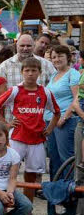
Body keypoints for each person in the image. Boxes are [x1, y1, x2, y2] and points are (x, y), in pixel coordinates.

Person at [0, 57, 59, 215]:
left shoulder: (45, 92)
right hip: (17, 137)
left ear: (39, 73)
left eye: (34, 70)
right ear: (22, 72)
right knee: (8, 173)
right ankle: (4, 209)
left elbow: (57, 112)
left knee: (31, 176)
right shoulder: (16, 90)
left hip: (36, 140)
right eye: (27, 70)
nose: (30, 74)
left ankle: (27, 213)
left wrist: (49, 129)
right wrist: (6, 124)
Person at [45, 45, 82, 178]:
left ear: (68, 57)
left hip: (65, 121)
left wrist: (64, 117)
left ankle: (69, 191)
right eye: (54, 57)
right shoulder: (54, 74)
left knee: (65, 157)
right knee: (53, 158)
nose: (56, 59)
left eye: (60, 56)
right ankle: (55, 192)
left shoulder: (73, 74)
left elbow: (77, 98)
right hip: (51, 121)